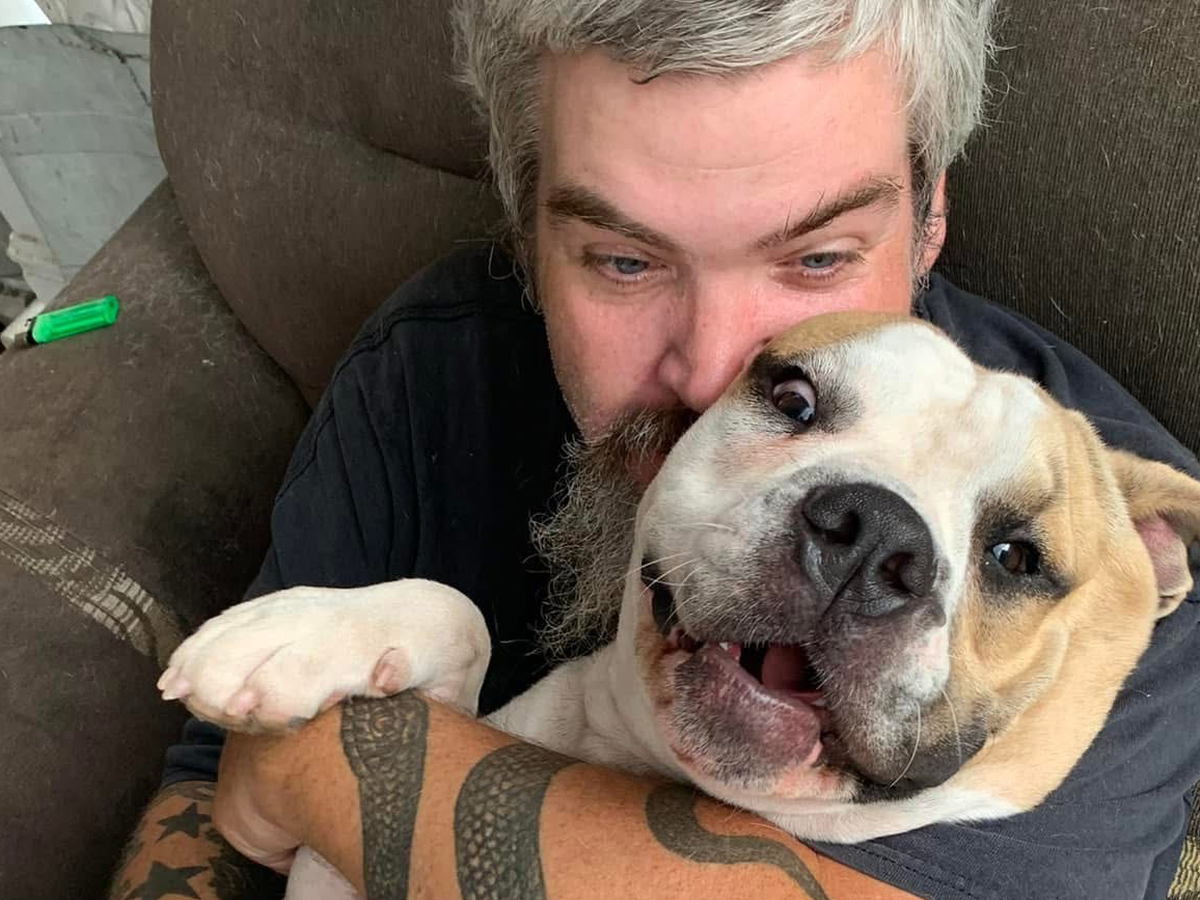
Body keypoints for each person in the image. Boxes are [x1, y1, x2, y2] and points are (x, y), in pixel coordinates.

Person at [110, 2, 1200, 898]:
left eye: (818, 258)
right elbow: (213, 776)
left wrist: (318, 762)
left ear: (928, 219)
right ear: (527, 231)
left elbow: (271, 763)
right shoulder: (433, 367)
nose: (722, 368)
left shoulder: (1115, 548)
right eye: (624, 261)